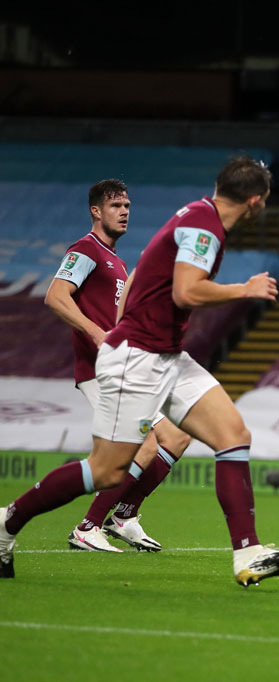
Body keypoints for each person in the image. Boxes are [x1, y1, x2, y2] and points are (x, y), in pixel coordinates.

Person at [0, 156, 279, 586]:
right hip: (137, 358)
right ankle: (7, 523)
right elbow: (186, 292)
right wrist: (244, 289)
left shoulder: (195, 214)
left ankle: (247, 554)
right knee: (107, 470)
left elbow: (136, 282)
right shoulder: (205, 227)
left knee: (232, 436)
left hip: (164, 355)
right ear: (257, 201)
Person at [44, 179, 191, 553]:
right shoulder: (85, 250)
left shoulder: (118, 263)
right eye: (115, 205)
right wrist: (95, 333)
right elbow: (56, 296)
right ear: (96, 211)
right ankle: (87, 527)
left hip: (127, 368)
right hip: (99, 370)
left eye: (127, 205)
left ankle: (124, 516)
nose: (125, 211)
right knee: (141, 449)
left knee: (177, 437)